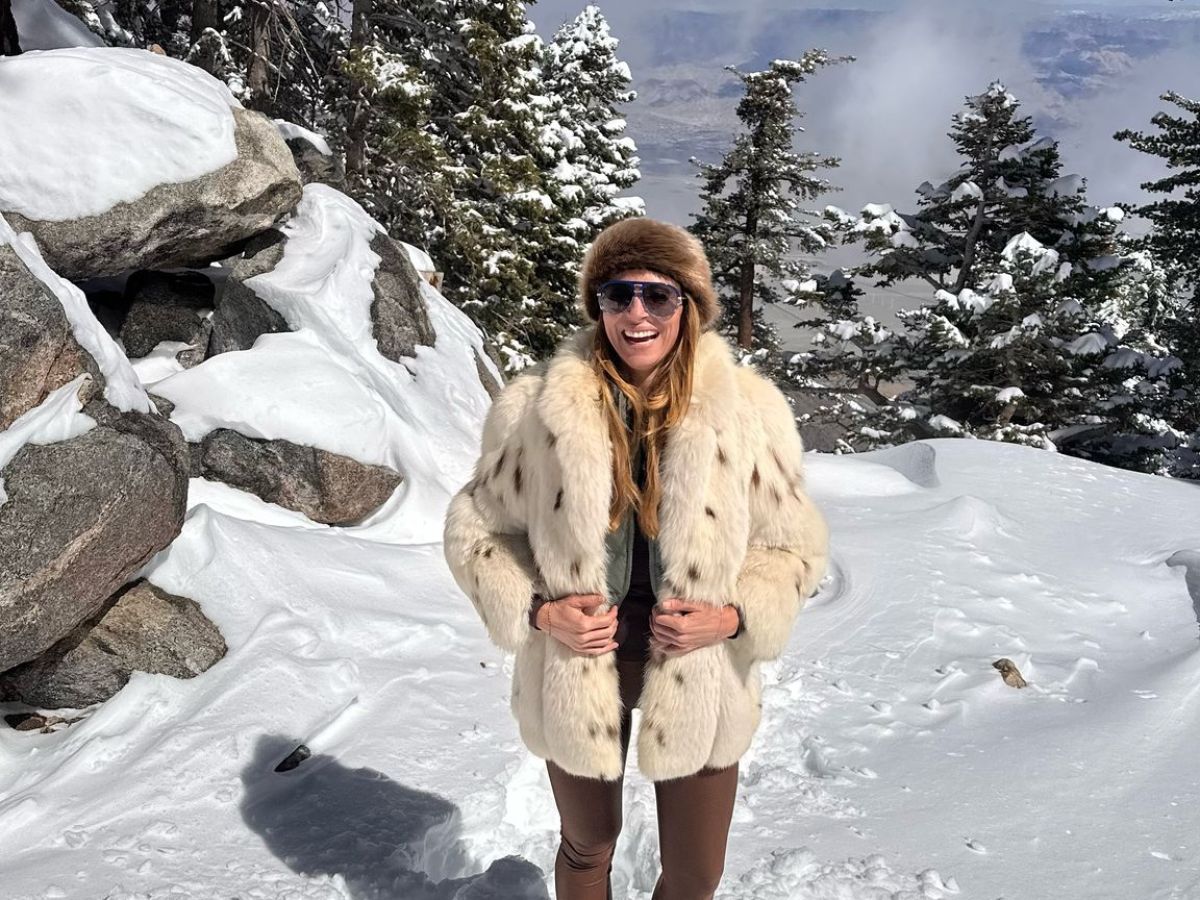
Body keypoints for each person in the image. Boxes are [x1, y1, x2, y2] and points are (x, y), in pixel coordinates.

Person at [443, 217, 829, 900]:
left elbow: (794, 546)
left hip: (700, 670)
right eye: (618, 295)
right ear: (598, 306)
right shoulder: (536, 408)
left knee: (694, 874)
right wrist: (539, 611)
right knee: (588, 846)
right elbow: (475, 531)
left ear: (690, 305)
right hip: (576, 667)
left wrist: (732, 618)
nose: (637, 313)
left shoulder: (747, 411)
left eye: (659, 295)